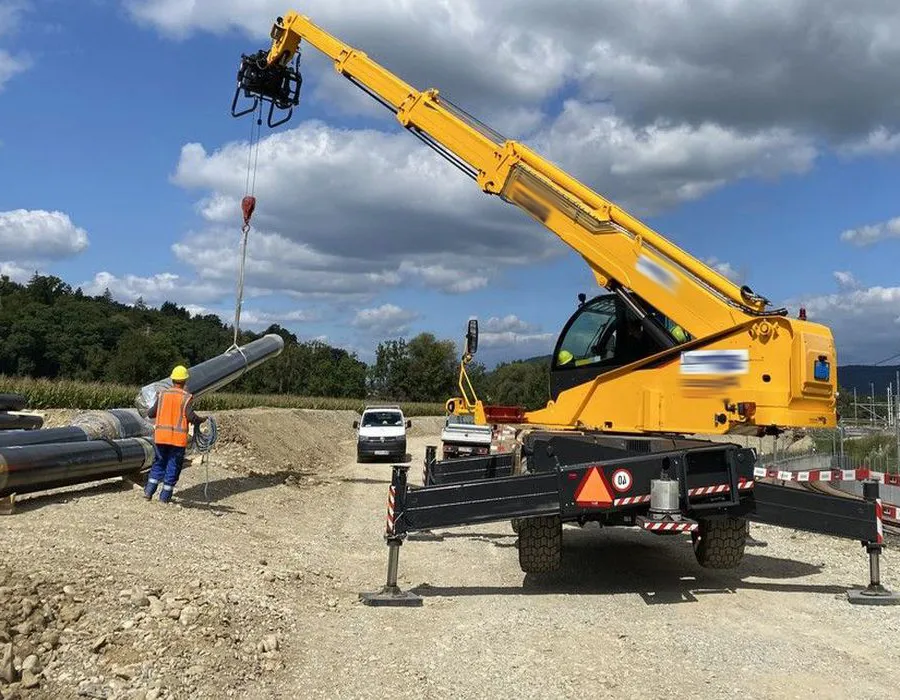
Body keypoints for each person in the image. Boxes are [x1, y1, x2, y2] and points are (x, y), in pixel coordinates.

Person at [143, 365, 207, 504]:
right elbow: (190, 416)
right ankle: (165, 497)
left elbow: (150, 413)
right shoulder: (186, 397)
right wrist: (201, 420)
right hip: (177, 440)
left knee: (159, 463)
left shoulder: (162, 395)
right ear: (185, 381)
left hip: (161, 437)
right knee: (173, 466)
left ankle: (148, 492)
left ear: (172, 380)